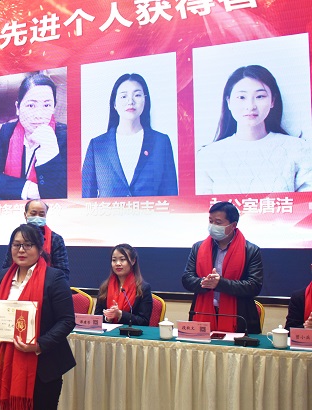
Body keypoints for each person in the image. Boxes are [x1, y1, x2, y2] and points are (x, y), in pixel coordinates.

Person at [0, 224, 75, 410]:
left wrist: (39, 345)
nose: (21, 250)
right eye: (16, 245)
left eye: (28, 245)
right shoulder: (3, 276)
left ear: (40, 248)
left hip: (44, 365)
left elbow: (67, 321)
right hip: (8, 361)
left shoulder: (54, 278)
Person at [196, 65, 312, 194]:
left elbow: (307, 202)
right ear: (228, 102)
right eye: (241, 97)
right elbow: (202, 205)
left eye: (260, 96)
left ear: (272, 101)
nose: (250, 106)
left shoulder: (298, 149)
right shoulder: (209, 156)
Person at [82, 73, 178, 198]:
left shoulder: (161, 142)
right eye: (123, 96)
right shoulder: (97, 146)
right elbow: (86, 199)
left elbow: (171, 197)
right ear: (114, 104)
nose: (130, 101)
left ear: (145, 100)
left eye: (137, 95)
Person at [182, 201, 263, 333]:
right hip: (203, 312)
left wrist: (220, 284)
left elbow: (254, 286)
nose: (213, 226)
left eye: (218, 222)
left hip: (239, 316)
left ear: (233, 225)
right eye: (210, 221)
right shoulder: (198, 247)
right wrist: (204, 282)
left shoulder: (251, 250)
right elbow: (187, 279)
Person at [0, 73, 67, 200]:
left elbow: (62, 194)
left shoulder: (65, 136)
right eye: (31, 105)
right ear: (18, 108)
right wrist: (29, 189)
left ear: (53, 108)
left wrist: (50, 151)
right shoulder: (7, 131)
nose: (39, 115)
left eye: (47, 105)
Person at [2, 200, 70, 281]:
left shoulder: (55, 239)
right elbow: (7, 265)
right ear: (25, 215)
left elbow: (62, 272)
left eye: (41, 214)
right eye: (33, 214)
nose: (37, 217)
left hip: (46, 285)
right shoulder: (17, 236)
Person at [94, 243, 152, 326]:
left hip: (130, 333)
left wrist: (120, 314)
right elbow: (97, 317)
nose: (117, 263)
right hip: (108, 333)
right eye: (114, 260)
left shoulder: (143, 288)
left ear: (133, 261)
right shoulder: (105, 287)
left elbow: (144, 321)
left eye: (122, 259)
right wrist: (108, 318)